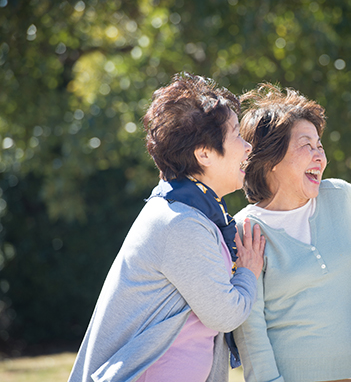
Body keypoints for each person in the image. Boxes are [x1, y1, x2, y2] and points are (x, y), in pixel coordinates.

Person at [68, 73, 265, 382]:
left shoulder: (188, 212)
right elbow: (225, 314)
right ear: (204, 154)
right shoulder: (180, 223)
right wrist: (249, 271)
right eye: (238, 135)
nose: (247, 146)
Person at [233, 84, 351, 382]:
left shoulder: (341, 197)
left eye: (320, 145)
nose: (319, 156)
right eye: (306, 145)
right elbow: (250, 325)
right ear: (270, 159)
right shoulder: (245, 229)